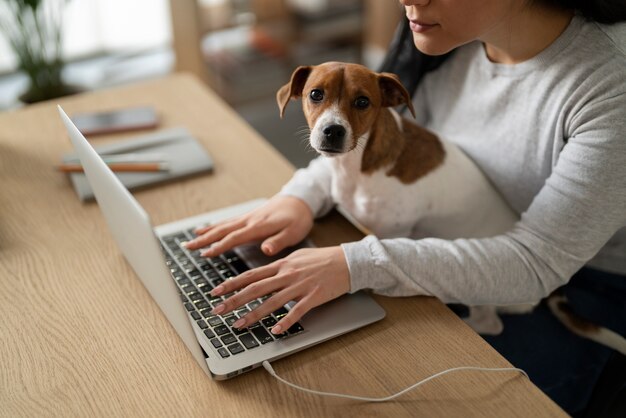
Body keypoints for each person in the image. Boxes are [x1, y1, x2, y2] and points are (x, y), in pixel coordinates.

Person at [186, 0, 626, 414]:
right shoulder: (447, 41)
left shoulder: (609, 87)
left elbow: (535, 266)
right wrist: (300, 196)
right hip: (450, 243)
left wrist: (357, 264)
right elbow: (386, 147)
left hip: (579, 287)